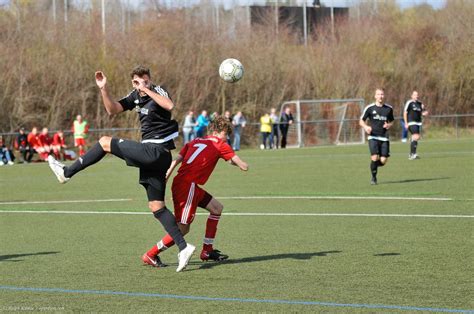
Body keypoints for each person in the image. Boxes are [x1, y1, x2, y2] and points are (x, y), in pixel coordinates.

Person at [47, 65, 195, 272]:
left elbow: (169, 105)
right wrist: (103, 88)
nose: (139, 84)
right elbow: (112, 110)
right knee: (156, 206)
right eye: (136, 81)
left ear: (150, 79)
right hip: (152, 156)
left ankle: (66, 172)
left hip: (157, 151)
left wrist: (147, 89)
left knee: (105, 141)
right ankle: (183, 247)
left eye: (144, 80)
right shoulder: (135, 96)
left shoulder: (158, 90)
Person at [142, 117, 248, 265]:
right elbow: (243, 166)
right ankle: (151, 254)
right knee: (183, 228)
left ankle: (207, 251)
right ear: (217, 132)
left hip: (185, 184)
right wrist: (239, 162)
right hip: (187, 186)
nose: (227, 137)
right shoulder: (220, 144)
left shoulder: (195, 141)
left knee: (217, 208)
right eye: (226, 134)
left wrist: (166, 176)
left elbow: (176, 160)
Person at [359, 88, 394, 185]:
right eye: (378, 94)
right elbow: (361, 121)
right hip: (373, 137)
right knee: (374, 157)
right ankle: (373, 178)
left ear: (384, 96)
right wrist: (366, 127)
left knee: (383, 161)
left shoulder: (389, 109)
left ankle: (373, 166)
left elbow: (391, 121)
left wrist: (388, 125)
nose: (380, 96)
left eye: (382, 94)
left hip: (384, 137)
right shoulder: (370, 108)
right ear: (375, 96)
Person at [403, 91, 428, 160]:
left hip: (418, 123)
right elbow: (405, 113)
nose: (416, 96)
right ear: (412, 96)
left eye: (417, 95)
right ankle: (413, 154)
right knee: (416, 136)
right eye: (415, 95)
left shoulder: (420, 104)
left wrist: (425, 113)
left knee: (416, 138)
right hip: (411, 122)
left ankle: (412, 154)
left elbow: (423, 112)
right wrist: (406, 123)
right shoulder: (409, 103)